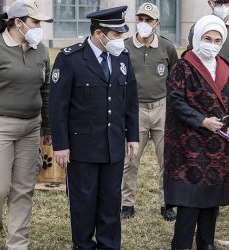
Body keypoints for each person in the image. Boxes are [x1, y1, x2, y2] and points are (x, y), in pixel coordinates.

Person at [49, 6, 139, 250]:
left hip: (112, 144)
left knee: (111, 200)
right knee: (83, 202)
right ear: (99, 33)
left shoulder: (122, 57)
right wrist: (61, 145)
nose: (120, 40)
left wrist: (133, 135)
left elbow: (129, 99)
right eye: (116, 35)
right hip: (83, 146)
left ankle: (109, 245)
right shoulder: (70, 59)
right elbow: (57, 107)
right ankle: (83, 245)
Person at [0, 0, 53, 249]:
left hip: (30, 128)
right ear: (18, 23)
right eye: (35, 22)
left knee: (23, 188)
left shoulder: (40, 50)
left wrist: (47, 128)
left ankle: (18, 243)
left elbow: (46, 91)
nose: (40, 28)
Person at [164, 15, 229, 250]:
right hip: (188, 144)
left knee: (210, 201)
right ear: (197, 38)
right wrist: (202, 120)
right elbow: (175, 100)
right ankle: (182, 245)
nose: (212, 44)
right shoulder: (183, 66)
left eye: (217, 40)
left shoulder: (224, 66)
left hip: (216, 145)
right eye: (207, 38)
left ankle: (206, 244)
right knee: (190, 201)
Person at [187, 0, 229, 221]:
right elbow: (191, 59)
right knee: (207, 144)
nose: (222, 5)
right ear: (210, 3)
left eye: (226, 1)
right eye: (218, 1)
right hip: (206, 91)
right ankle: (206, 195)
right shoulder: (198, 27)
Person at [120, 2, 179, 221]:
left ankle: (168, 203)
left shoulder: (167, 47)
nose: (143, 24)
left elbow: (175, 76)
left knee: (167, 159)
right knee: (130, 160)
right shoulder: (124, 46)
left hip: (162, 109)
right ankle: (127, 203)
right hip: (135, 110)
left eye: (148, 20)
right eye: (140, 19)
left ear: (157, 24)